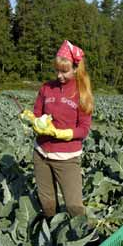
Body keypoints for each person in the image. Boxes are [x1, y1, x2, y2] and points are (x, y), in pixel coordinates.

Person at [21, 40, 94, 218]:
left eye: (64, 71)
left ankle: (80, 239)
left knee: (74, 205)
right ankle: (51, 233)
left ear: (75, 68)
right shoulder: (47, 88)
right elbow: (38, 112)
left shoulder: (81, 92)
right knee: (47, 202)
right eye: (57, 70)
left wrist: (63, 134)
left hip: (67, 158)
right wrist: (32, 120)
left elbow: (84, 129)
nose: (59, 75)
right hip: (41, 154)